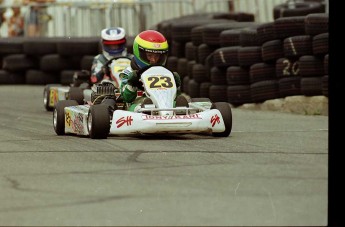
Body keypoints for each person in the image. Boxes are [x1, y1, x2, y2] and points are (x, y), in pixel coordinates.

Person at [120, 29, 181, 105]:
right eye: (149, 55)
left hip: (164, 105)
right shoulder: (128, 73)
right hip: (139, 106)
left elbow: (175, 98)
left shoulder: (166, 74)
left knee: (178, 104)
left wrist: (176, 85)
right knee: (144, 104)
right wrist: (132, 83)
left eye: (157, 56)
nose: (153, 60)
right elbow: (127, 98)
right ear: (139, 53)